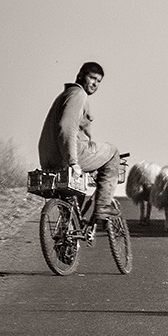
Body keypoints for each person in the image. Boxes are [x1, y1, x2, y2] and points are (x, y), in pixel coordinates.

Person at [38, 62, 122, 223]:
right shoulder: (78, 95)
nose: (95, 84)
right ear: (81, 75)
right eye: (92, 78)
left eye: (99, 81)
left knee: (75, 201)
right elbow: (67, 128)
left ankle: (67, 236)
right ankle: (103, 207)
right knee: (112, 153)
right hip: (68, 154)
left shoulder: (65, 95)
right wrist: (72, 162)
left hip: (50, 158)